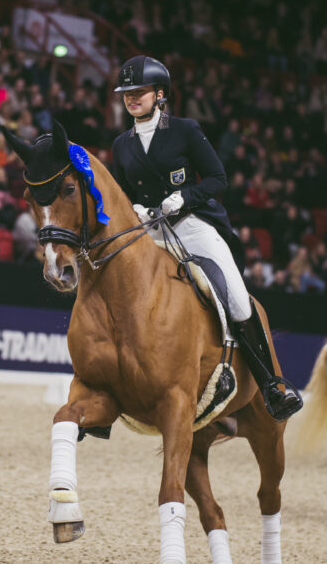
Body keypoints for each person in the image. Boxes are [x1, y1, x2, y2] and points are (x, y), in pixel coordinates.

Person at [108, 55, 301, 421]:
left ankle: (272, 385)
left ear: (160, 94)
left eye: (140, 92)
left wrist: (184, 198)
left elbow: (217, 178)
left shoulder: (184, 130)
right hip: (148, 232)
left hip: (190, 225)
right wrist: (134, 209)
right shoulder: (121, 145)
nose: (132, 98)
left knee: (239, 301)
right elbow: (119, 193)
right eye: (127, 93)